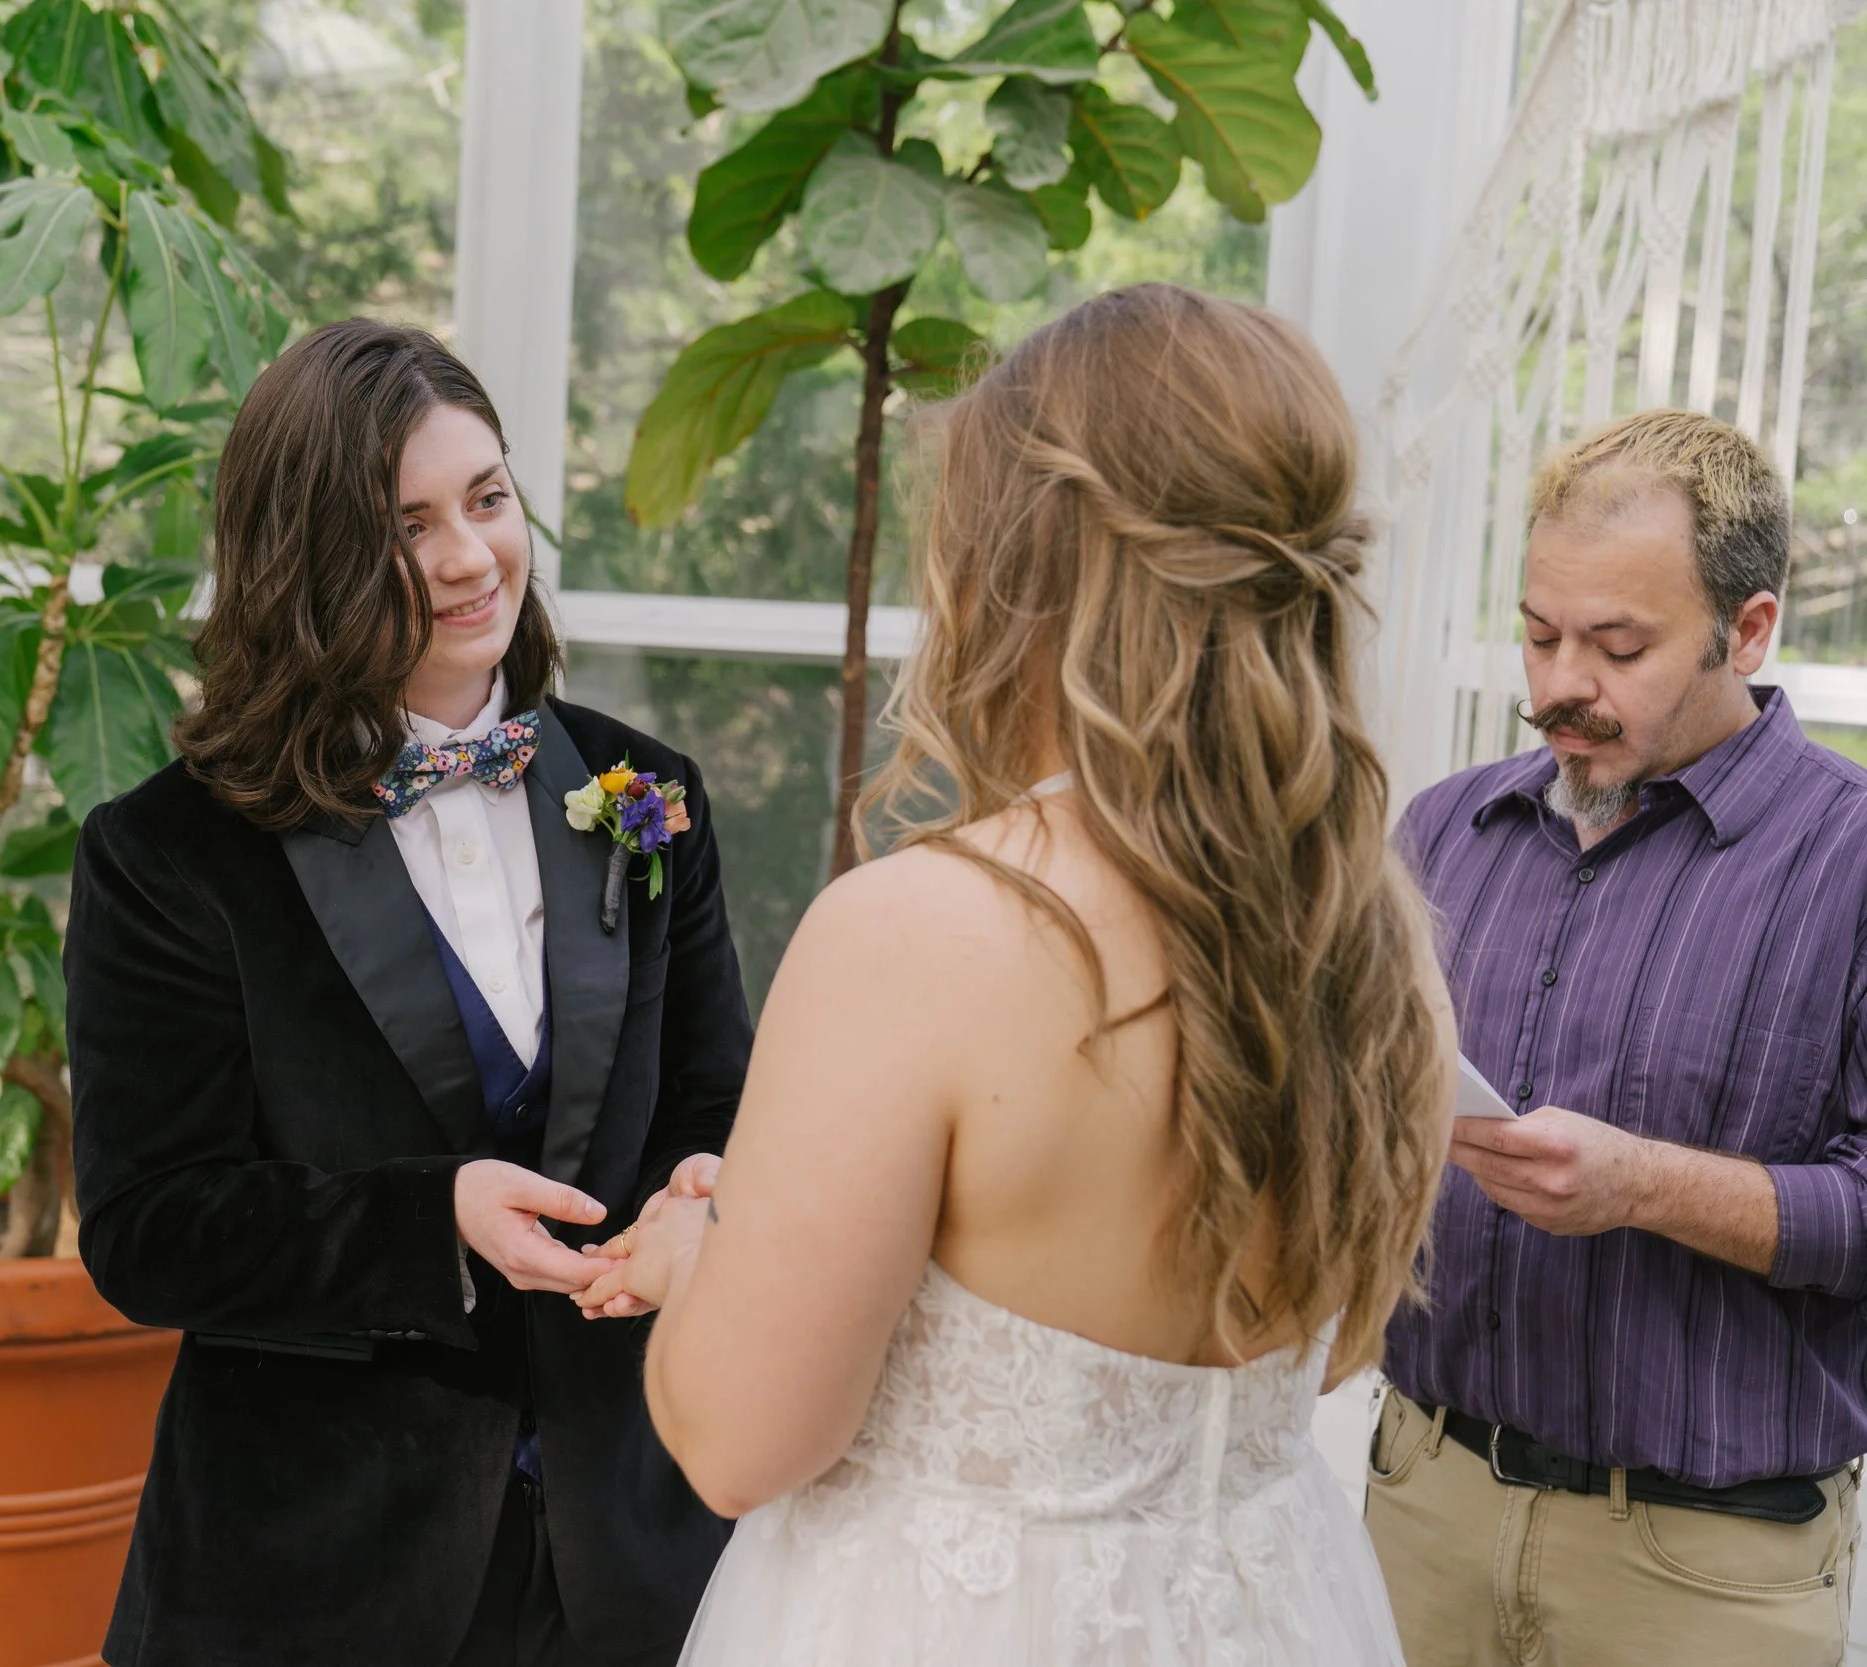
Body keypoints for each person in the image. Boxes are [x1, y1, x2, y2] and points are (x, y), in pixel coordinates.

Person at [575, 283, 1457, 1664]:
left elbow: (744, 1441)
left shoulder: (919, 932)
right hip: (1279, 1608)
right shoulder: (1363, 928)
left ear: (1020, 564)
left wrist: (703, 1254)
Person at [64, 320, 750, 1667]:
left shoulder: (649, 791)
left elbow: (716, 1100)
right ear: (301, 557)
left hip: (629, 1544)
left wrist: (704, 1201)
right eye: (403, 524)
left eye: (487, 499)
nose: (464, 556)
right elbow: (149, 1226)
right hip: (312, 1569)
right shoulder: (167, 853)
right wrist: (428, 1215)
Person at [1366, 409, 1867, 1666]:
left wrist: (1643, 1184)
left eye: (1618, 645)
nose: (1557, 688)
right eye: (1539, 635)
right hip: (1417, 1509)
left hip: (1701, 1577)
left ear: (1746, 630)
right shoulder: (1439, 830)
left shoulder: (1851, 861)